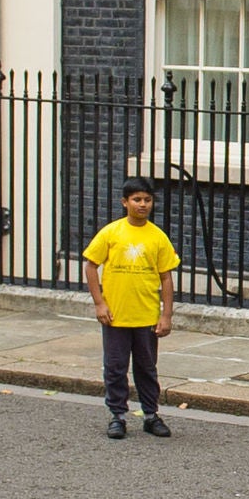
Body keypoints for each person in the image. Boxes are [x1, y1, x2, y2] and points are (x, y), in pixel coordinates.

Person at [81, 182, 182, 440]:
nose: (143, 204)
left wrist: (166, 314)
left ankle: (150, 415)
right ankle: (118, 416)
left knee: (146, 367)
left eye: (147, 199)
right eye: (137, 199)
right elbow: (91, 266)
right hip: (116, 315)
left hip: (146, 315)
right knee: (115, 366)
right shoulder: (111, 233)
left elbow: (166, 277)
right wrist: (99, 303)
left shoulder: (157, 236)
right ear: (125, 202)